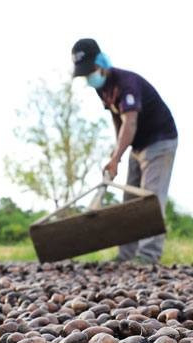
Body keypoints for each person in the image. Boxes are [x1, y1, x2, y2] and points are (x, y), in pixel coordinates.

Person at [71, 38, 178, 263]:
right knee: (130, 201)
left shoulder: (127, 83)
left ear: (101, 63)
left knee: (150, 198)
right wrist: (115, 156)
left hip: (160, 140)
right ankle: (126, 255)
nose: (89, 77)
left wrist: (117, 157)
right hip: (137, 145)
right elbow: (117, 119)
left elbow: (130, 122)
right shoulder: (102, 89)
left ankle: (148, 255)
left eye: (90, 71)